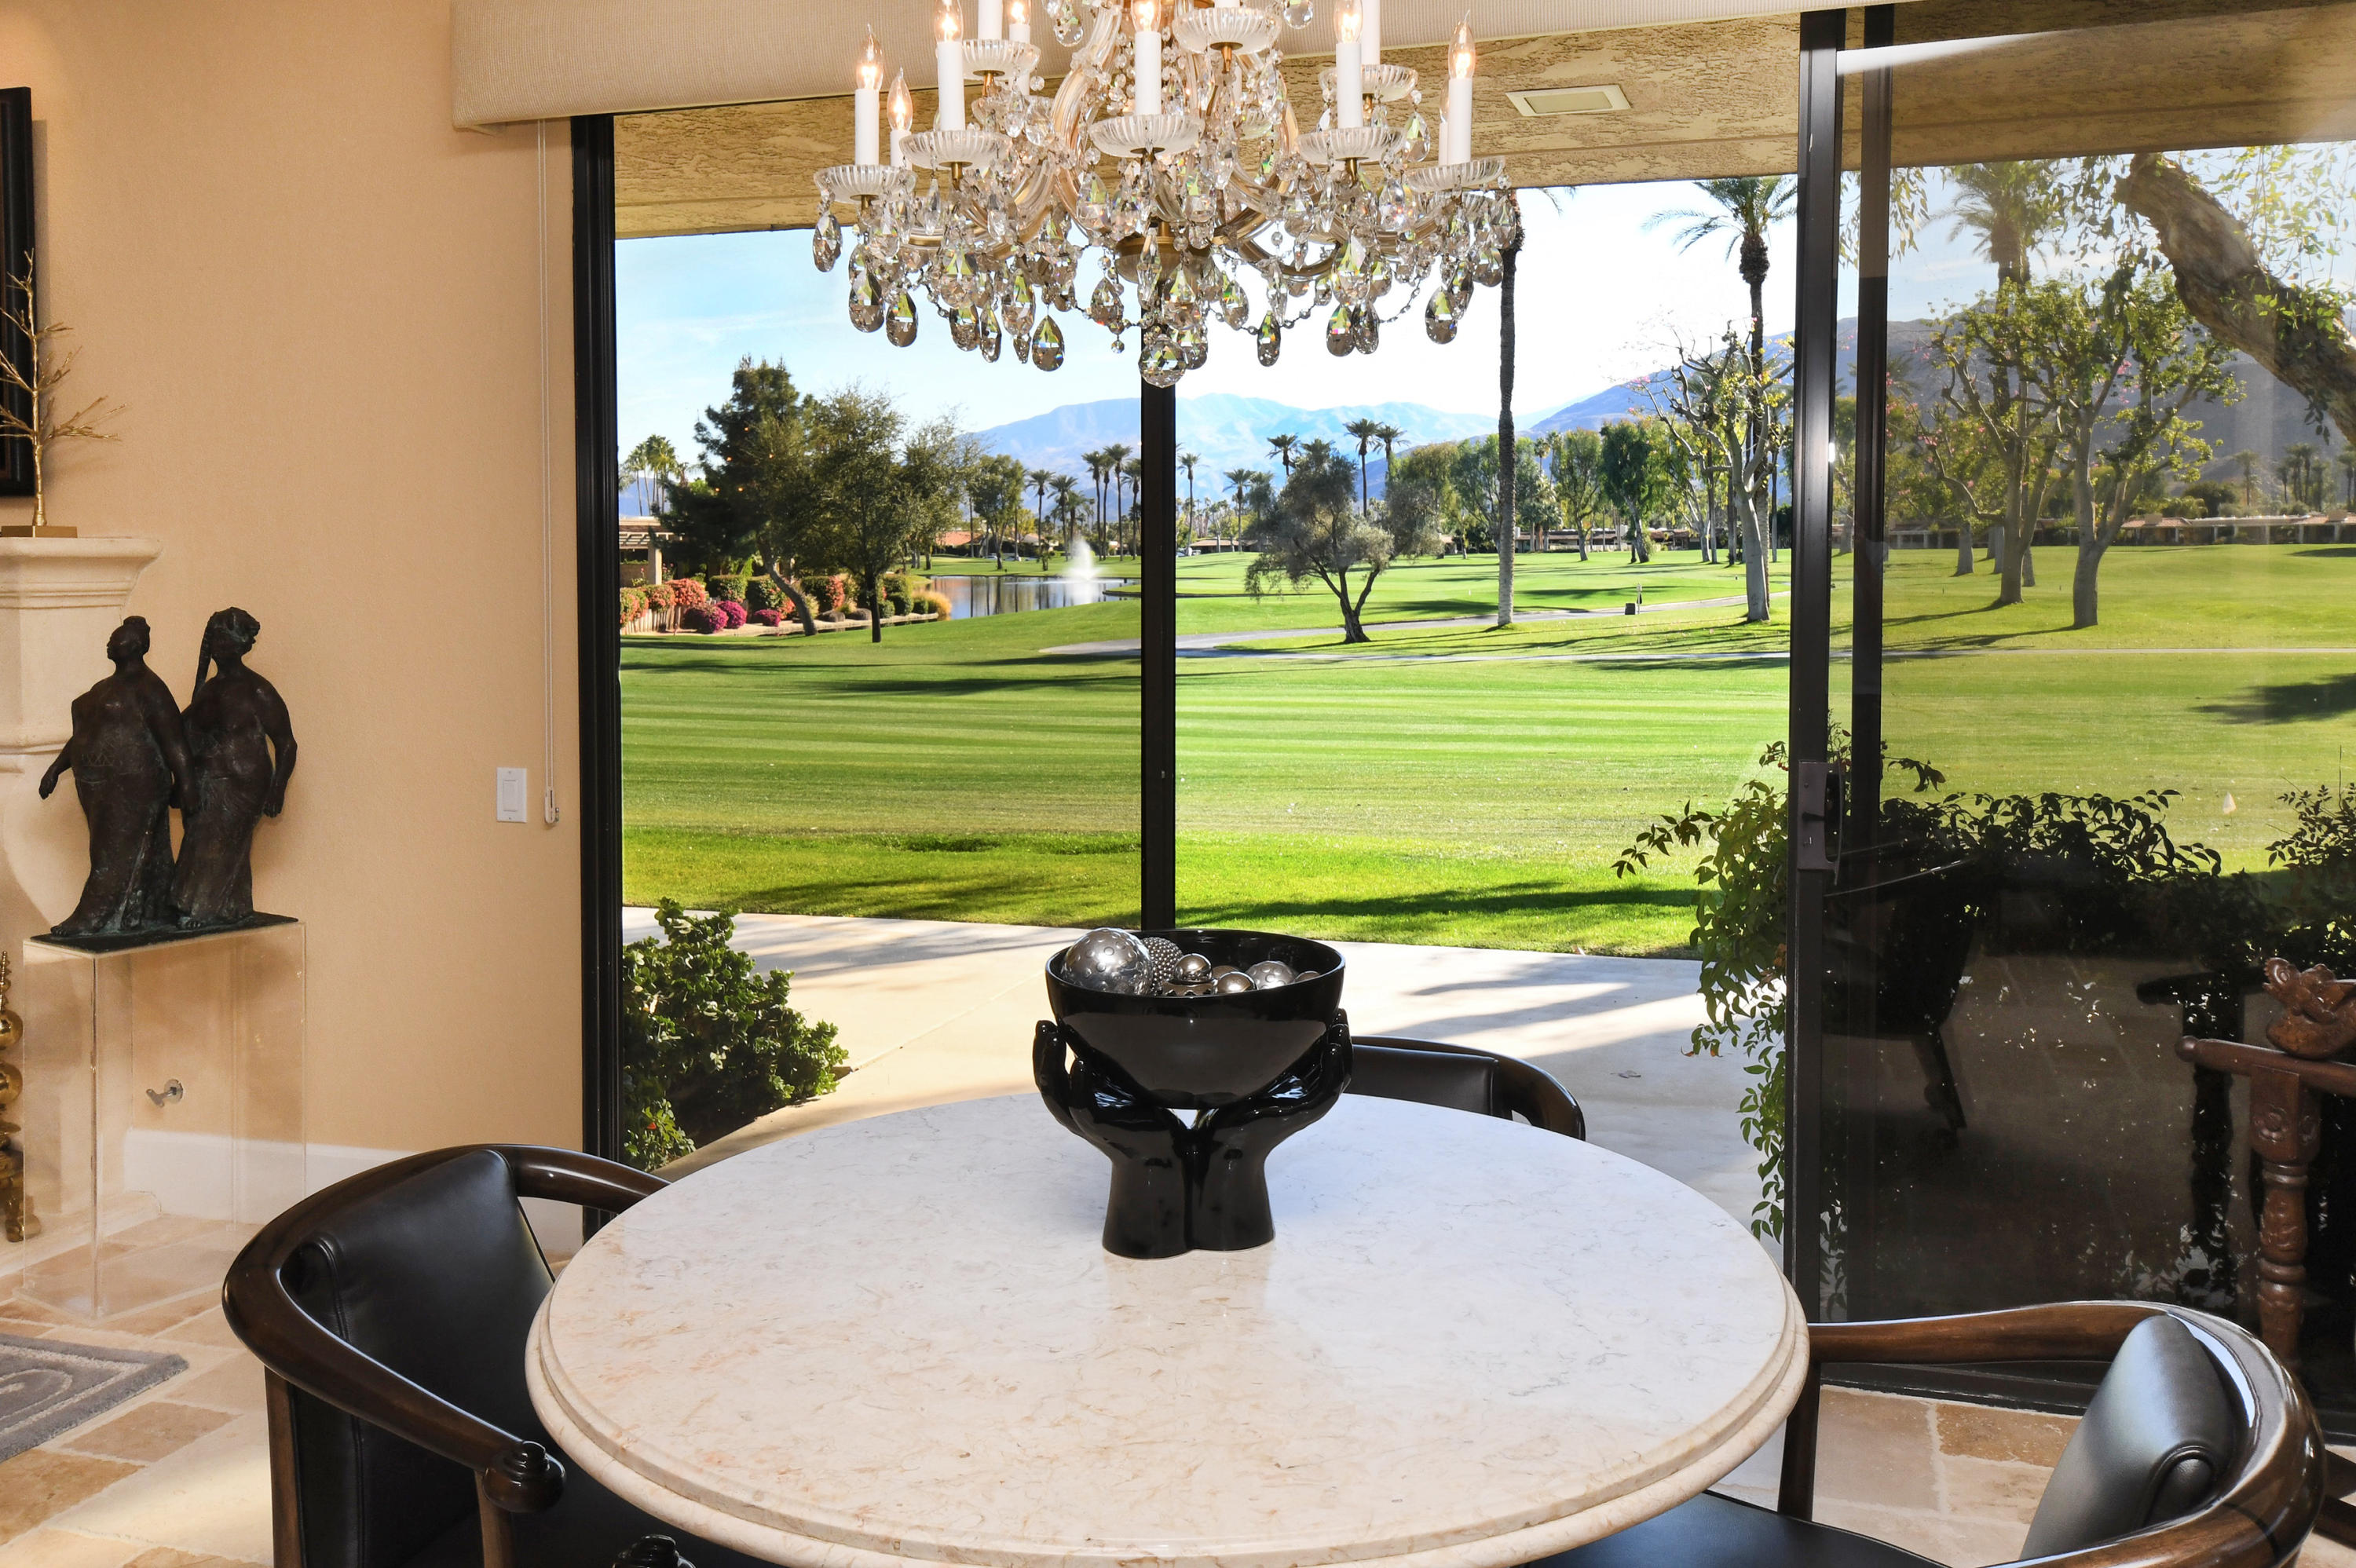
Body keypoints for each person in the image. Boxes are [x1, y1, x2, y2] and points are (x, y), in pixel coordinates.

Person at [38, 616, 189, 938]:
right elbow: (83, 735)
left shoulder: (151, 688)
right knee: (115, 845)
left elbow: (173, 740)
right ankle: (154, 907)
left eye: (117, 639)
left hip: (134, 782)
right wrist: (56, 768)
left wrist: (185, 782)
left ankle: (92, 916)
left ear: (136, 646)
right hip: (97, 784)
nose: (110, 643)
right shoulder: (102, 688)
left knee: (112, 850)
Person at [171, 608, 296, 928]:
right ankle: (233, 906)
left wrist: (277, 789)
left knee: (215, 841)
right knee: (217, 840)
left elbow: (286, 743)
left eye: (224, 639)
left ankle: (203, 908)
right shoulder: (209, 690)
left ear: (240, 645)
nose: (217, 646)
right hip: (209, 780)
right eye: (213, 638)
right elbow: (186, 732)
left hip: (243, 783)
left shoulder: (257, 690)